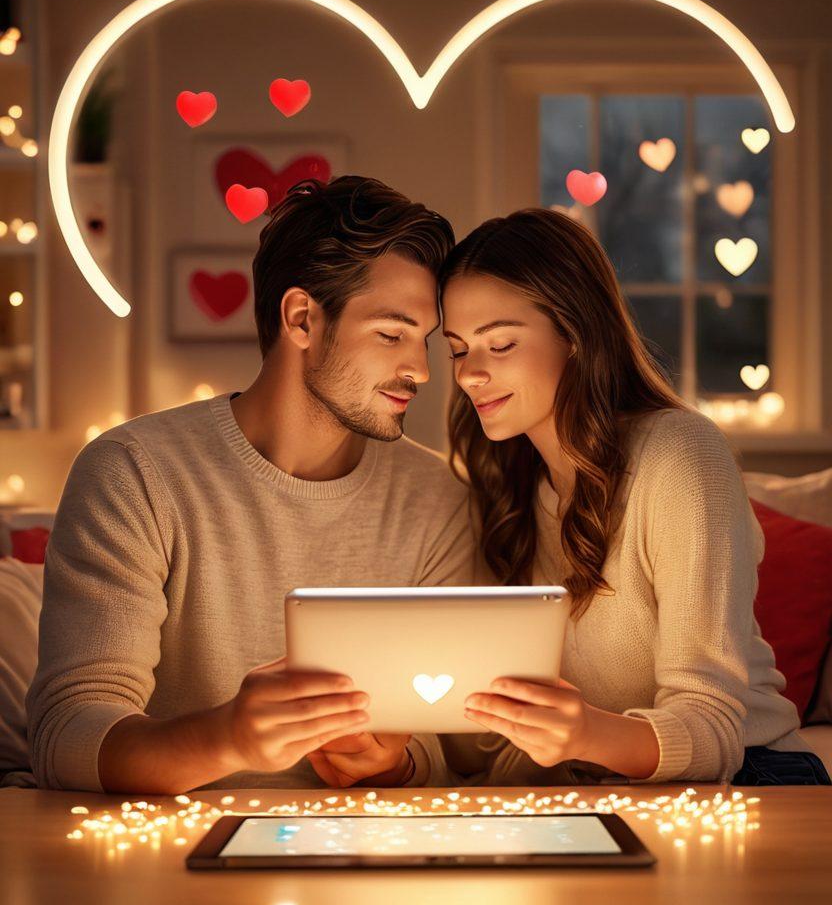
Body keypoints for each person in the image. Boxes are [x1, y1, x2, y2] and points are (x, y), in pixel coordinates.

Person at [27, 175, 482, 795]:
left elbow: (451, 750)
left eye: (424, 341)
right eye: (390, 334)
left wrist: (394, 765)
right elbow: (67, 734)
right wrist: (228, 739)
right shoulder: (132, 473)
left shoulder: (438, 498)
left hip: (366, 859)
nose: (422, 371)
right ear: (302, 319)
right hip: (163, 864)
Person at [440, 207, 830, 787]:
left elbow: (712, 728)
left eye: (499, 344)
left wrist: (583, 734)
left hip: (750, 777)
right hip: (601, 781)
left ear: (575, 335)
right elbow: (513, 737)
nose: (470, 373)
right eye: (456, 348)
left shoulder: (679, 455)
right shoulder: (504, 481)